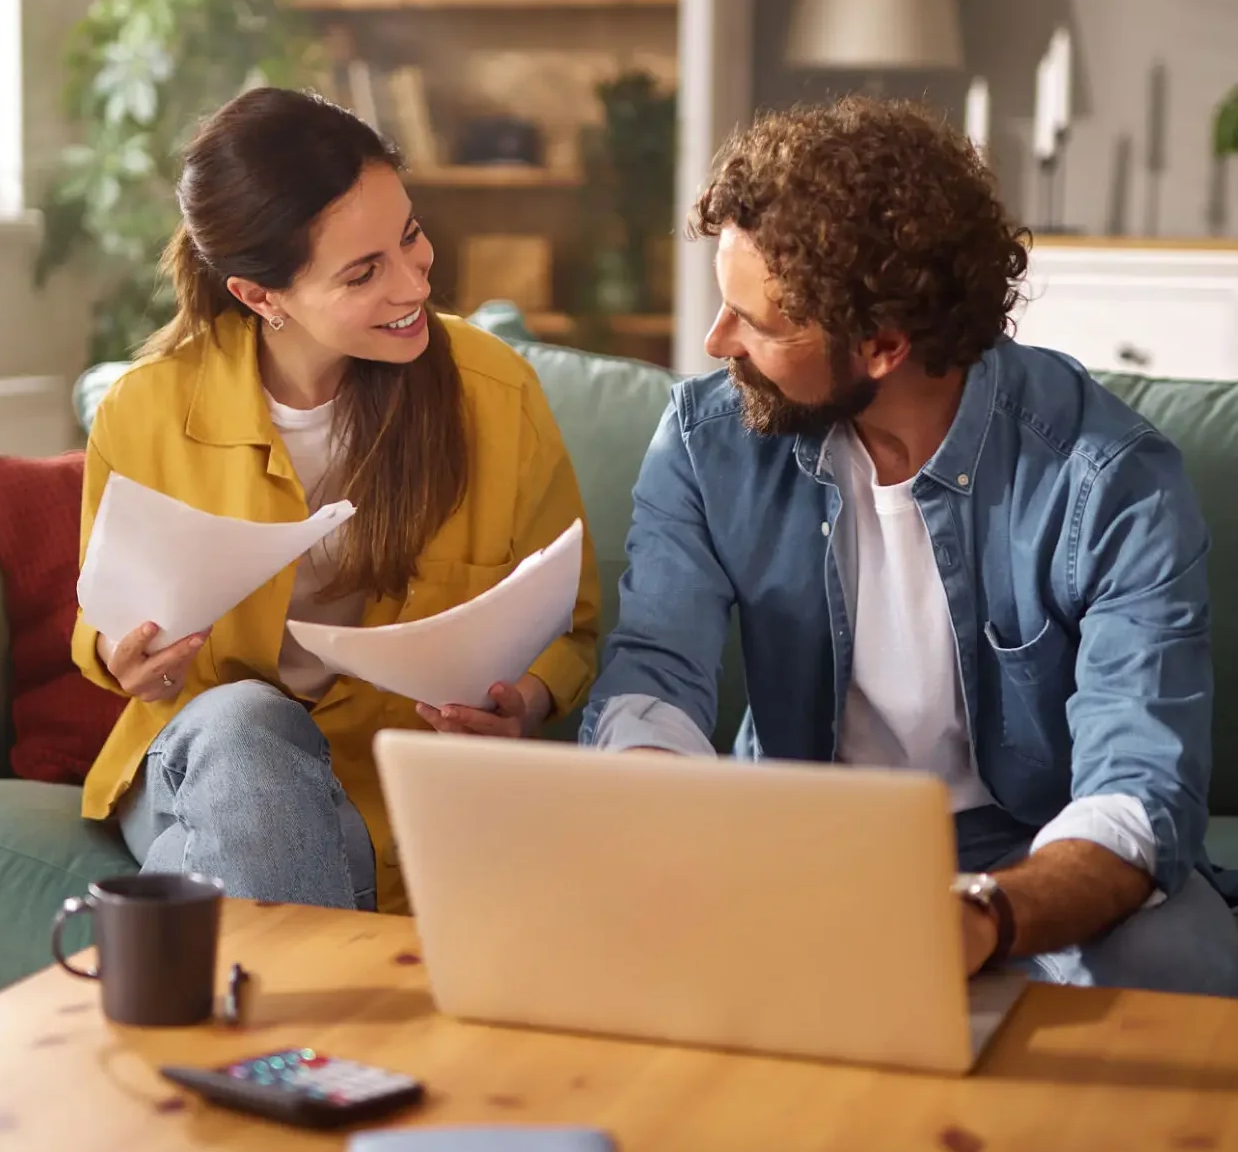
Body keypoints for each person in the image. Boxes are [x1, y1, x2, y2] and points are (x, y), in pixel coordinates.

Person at [582, 96, 1238, 996]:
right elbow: (656, 672)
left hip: (1027, 848)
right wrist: (677, 822)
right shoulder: (707, 440)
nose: (715, 342)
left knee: (1177, 962)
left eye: (759, 324)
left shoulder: (1109, 480)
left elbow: (1138, 789)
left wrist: (978, 917)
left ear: (883, 345)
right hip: (792, 831)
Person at [74, 86, 599, 916]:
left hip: (394, 785)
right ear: (260, 296)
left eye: (411, 236)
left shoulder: (495, 393)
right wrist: (122, 658)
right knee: (244, 726)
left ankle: (230, 1010)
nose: (413, 282)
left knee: (208, 875)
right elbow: (103, 621)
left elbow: (574, 624)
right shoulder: (145, 412)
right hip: (205, 759)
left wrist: (523, 700)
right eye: (364, 272)